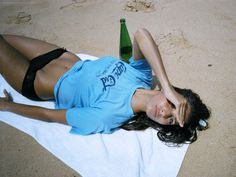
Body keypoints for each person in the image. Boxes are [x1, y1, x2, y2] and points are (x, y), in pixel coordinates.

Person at [0, 28, 210, 145]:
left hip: (35, 80)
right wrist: (166, 86)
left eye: (171, 120)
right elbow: (140, 34)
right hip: (60, 55)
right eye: (172, 105)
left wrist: (8, 107)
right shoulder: (142, 76)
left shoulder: (110, 115)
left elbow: (49, 116)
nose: (165, 113)